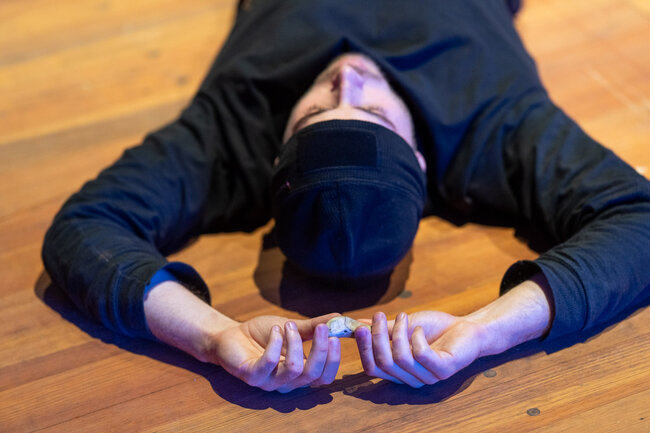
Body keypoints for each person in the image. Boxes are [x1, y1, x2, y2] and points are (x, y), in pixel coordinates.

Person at [42, 0, 650, 392]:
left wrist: (212, 336)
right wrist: (487, 331)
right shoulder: (497, 124)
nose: (347, 77)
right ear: (416, 156)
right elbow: (639, 222)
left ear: (274, 156)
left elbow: (83, 232)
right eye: (360, 109)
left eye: (324, 111)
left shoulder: (230, 131)